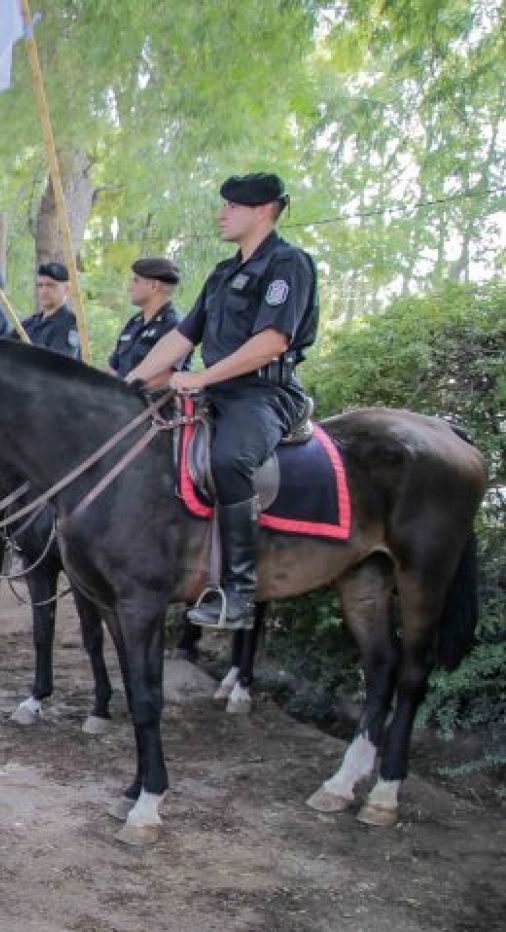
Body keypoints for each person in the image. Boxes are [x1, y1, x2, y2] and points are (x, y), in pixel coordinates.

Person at [126, 172, 318, 630]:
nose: (222, 213)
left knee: (230, 460)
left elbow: (272, 341)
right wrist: (131, 381)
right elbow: (181, 337)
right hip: (219, 392)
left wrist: (202, 377)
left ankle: (239, 594)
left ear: (264, 210)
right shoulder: (222, 273)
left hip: (265, 393)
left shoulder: (288, 264)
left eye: (232, 206)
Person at [106, 257, 182, 379]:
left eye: (136, 281)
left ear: (154, 286)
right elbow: (113, 368)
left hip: (144, 392)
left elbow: (164, 379)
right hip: (120, 390)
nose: (130, 287)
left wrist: (123, 386)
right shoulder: (134, 322)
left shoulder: (174, 325)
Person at [21, 261, 81, 358]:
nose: (44, 291)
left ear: (67, 288)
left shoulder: (70, 325)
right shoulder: (29, 324)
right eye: (40, 285)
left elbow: (58, 362)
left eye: (51, 285)